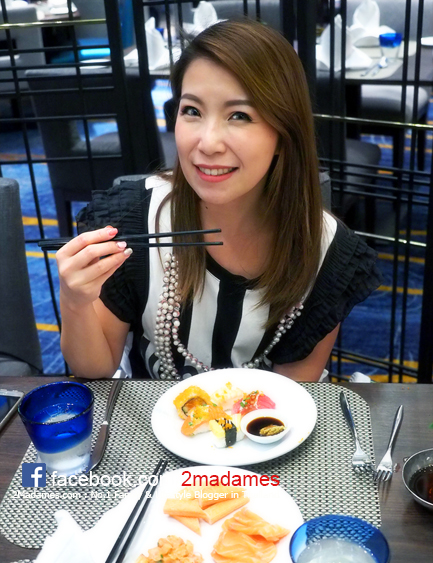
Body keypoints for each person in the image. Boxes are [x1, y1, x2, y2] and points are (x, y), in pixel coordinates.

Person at [56, 19, 382, 382]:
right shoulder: (135, 221)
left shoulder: (325, 253)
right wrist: (74, 300)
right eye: (192, 111)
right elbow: (95, 368)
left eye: (239, 115)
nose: (208, 143)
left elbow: (291, 397)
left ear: (284, 134)